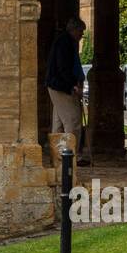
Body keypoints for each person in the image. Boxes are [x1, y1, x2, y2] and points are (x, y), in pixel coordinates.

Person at [45, 17, 86, 155]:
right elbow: (64, 68)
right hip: (61, 87)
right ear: (74, 30)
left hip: (57, 85)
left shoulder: (66, 42)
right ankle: (69, 157)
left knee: (59, 125)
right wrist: (73, 85)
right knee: (73, 122)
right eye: (80, 31)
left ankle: (58, 158)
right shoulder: (65, 43)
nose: (81, 35)